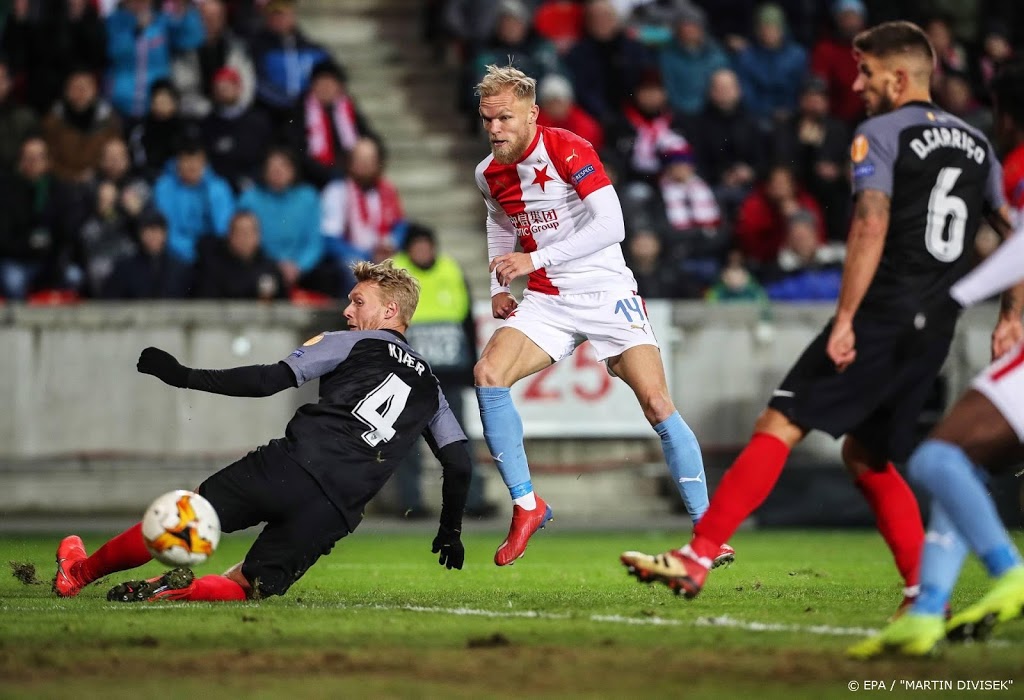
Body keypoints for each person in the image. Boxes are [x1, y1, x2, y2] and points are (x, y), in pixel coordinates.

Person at [620, 22, 1007, 612]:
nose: (857, 84)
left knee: (780, 422)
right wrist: (1011, 316)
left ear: (899, 77)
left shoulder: (879, 133)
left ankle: (698, 554)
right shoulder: (977, 142)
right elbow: (1011, 233)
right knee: (867, 455)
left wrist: (847, 315)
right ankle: (921, 595)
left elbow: (870, 224)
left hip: (882, 311)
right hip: (936, 326)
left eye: (868, 73)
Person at [54, 260, 472, 603]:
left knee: (181, 519)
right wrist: (449, 530)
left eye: (357, 302)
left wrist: (185, 376)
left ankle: (78, 574)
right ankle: (170, 593)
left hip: (290, 466)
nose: (347, 311)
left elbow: (268, 380)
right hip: (336, 510)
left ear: (389, 312)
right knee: (247, 584)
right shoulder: (433, 388)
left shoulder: (350, 343)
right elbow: (458, 463)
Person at [472, 64, 733, 567]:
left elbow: (612, 224)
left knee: (657, 403)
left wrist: (533, 260)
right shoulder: (488, 173)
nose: (495, 130)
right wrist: (497, 285)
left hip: (606, 290)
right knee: (488, 374)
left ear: (532, 113)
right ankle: (527, 506)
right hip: (548, 300)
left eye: (504, 118)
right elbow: (498, 222)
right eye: (488, 121)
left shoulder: (569, 147)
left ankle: (708, 531)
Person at [848, 60, 1024, 659]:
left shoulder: (1018, 164)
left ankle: (1008, 568)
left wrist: (956, 294)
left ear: (1005, 114)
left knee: (936, 458)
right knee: (960, 463)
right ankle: (927, 612)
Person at [392, 224, 495, 517]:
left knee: (457, 441)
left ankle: (470, 501)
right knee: (407, 442)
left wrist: (472, 368)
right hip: (408, 376)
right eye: (418, 246)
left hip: (448, 375)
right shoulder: (394, 275)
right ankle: (410, 503)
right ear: (408, 249)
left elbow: (466, 323)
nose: (423, 251)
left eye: (427, 245)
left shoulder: (451, 270)